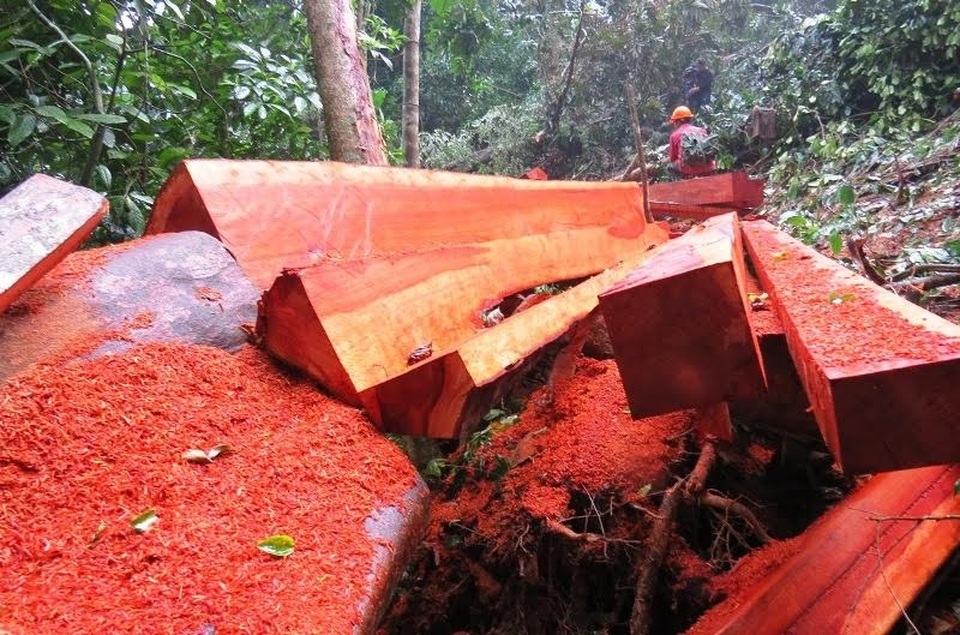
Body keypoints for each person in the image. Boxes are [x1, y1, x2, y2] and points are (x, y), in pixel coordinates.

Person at [667, 105, 716, 178]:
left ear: (678, 121)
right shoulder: (702, 131)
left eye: (674, 122)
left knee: (670, 166)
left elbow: (672, 158)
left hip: (687, 170)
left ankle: (682, 182)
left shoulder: (674, 135)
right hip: (708, 167)